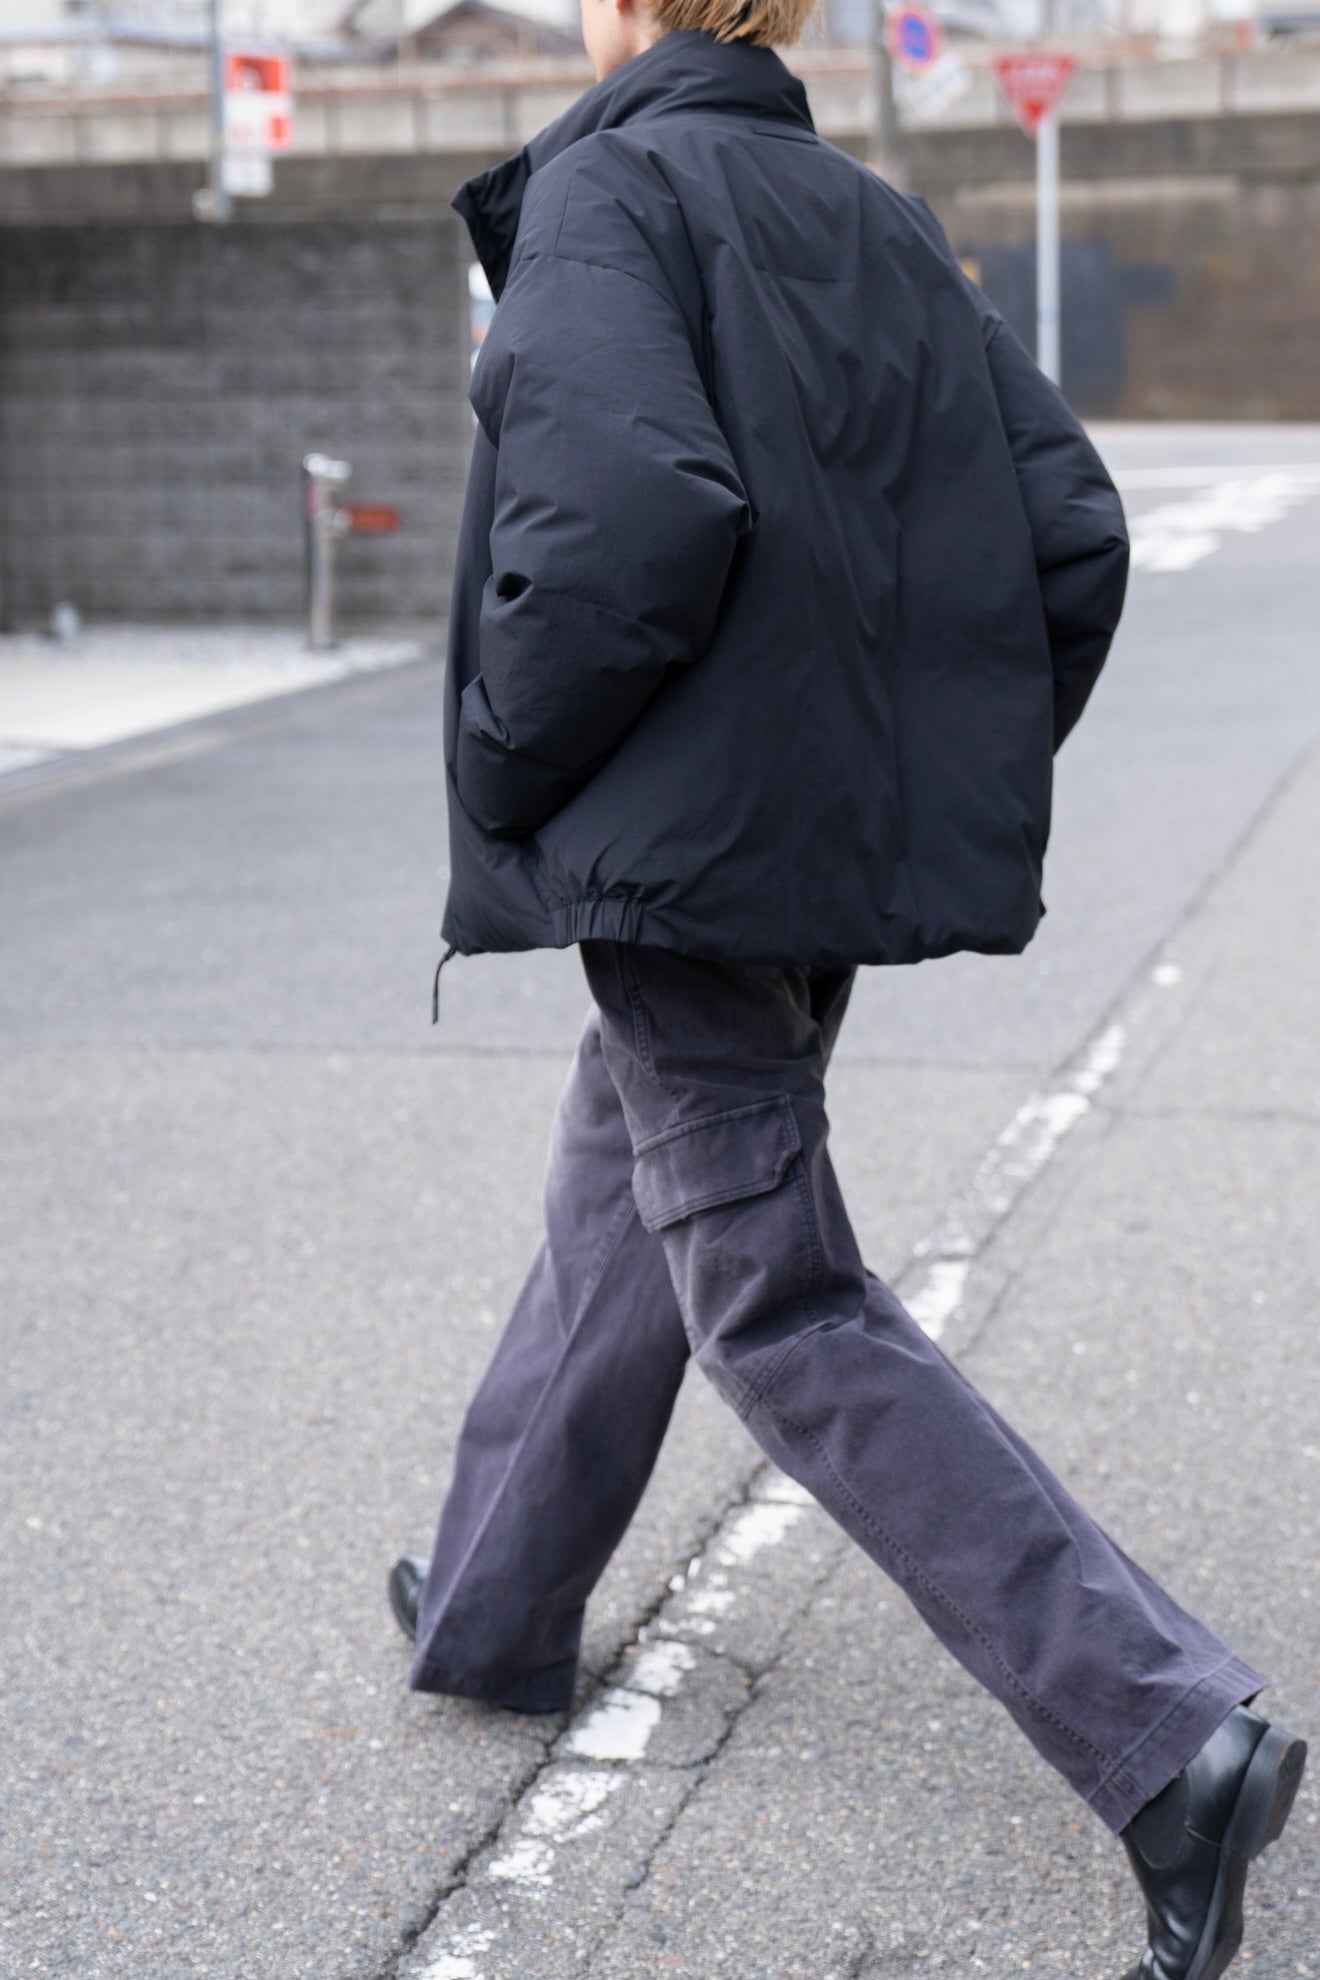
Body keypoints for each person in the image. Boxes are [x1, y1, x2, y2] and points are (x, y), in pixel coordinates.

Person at [390, 0, 1307, 1971]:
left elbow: (626, 518)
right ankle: (491, 1605)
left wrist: (508, 762)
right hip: (786, 854)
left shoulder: (607, 194)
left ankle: (1162, 1740)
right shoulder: (874, 212)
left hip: (688, 859)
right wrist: (899, 771)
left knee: (773, 1291)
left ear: (624, 10)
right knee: (619, 1199)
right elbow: (1072, 530)